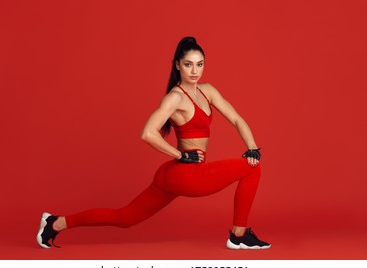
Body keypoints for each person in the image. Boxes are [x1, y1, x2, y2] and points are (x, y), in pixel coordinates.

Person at [37, 36, 270, 250]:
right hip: (186, 174)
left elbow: (237, 118)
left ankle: (56, 223)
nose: (195, 70)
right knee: (252, 169)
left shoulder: (207, 91)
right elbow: (148, 132)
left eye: (200, 64)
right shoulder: (175, 97)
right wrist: (181, 155)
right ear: (177, 64)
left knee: (124, 218)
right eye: (188, 64)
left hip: (171, 175)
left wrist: (252, 147)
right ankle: (238, 235)